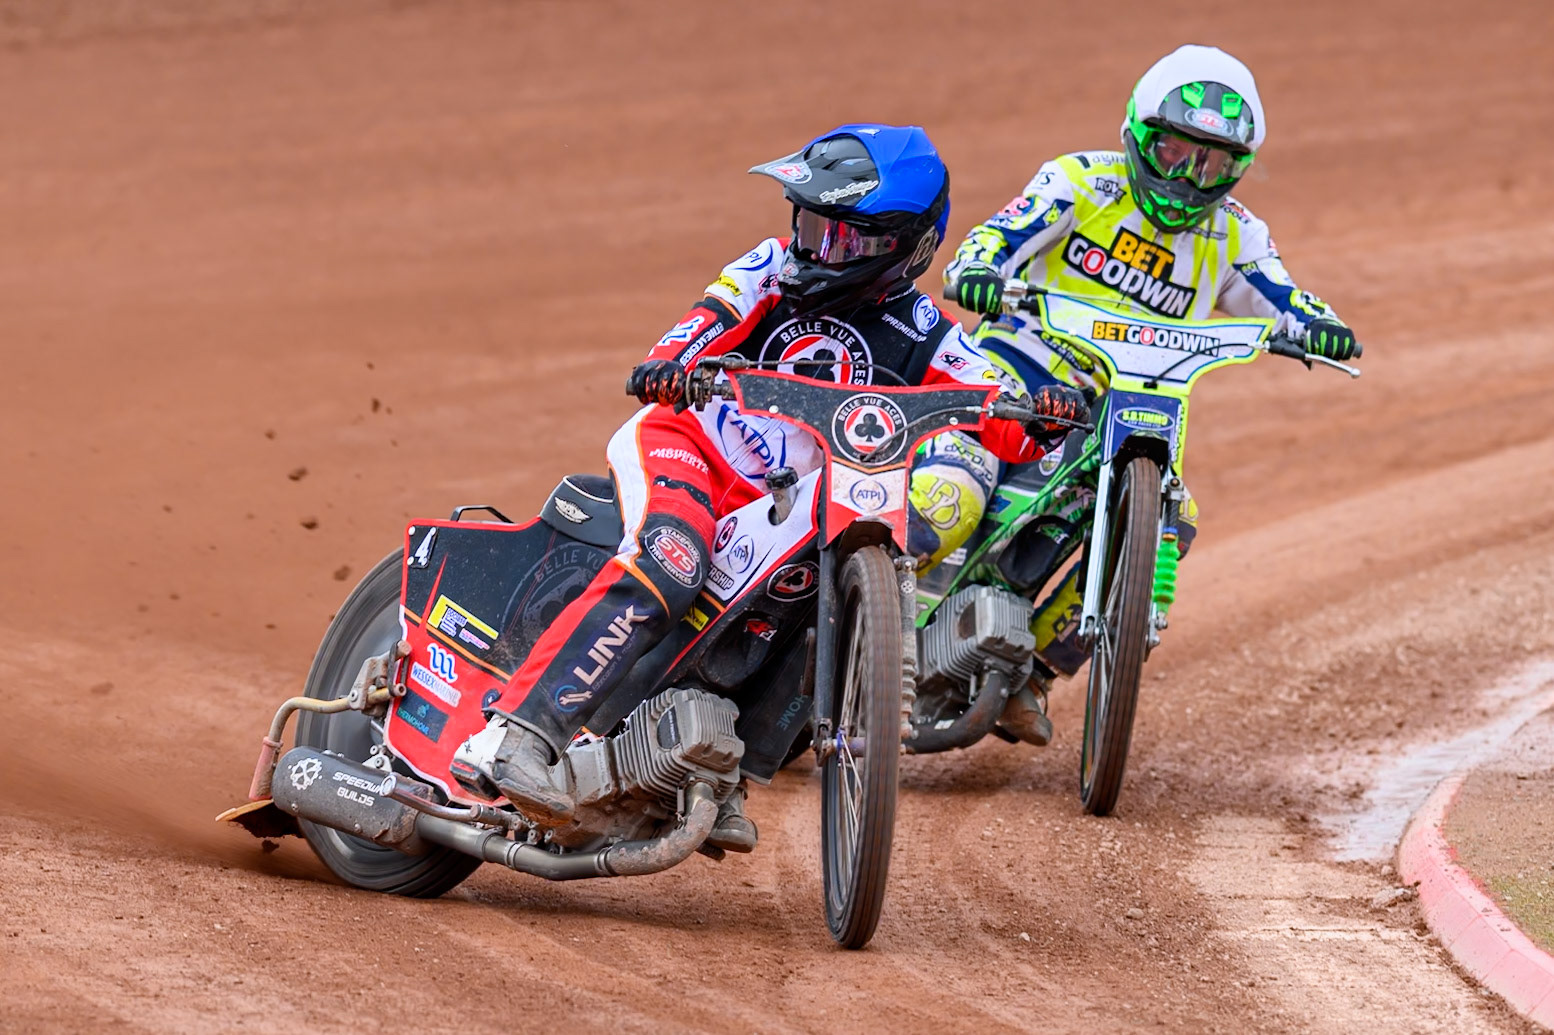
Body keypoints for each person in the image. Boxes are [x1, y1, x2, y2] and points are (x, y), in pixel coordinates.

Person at [463, 123, 1088, 849]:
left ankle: (716, 766)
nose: (815, 248)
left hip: (789, 500)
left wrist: (1040, 417)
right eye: (812, 224)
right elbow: (704, 321)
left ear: (904, 248)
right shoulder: (765, 269)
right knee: (672, 559)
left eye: (844, 238)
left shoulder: (924, 332)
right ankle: (517, 735)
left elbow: (990, 405)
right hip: (690, 444)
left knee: (809, 596)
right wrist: (671, 362)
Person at [942, 45, 1361, 740]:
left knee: (1174, 520)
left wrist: (1318, 325)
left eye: (1214, 163)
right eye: (1173, 152)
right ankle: (885, 615)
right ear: (1137, 135)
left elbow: (1281, 295)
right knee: (955, 488)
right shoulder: (1079, 182)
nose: (1190, 177)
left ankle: (1035, 672)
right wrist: (978, 268)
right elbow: (990, 242)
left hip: (1128, 400)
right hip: (1021, 364)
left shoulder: (1233, 232)